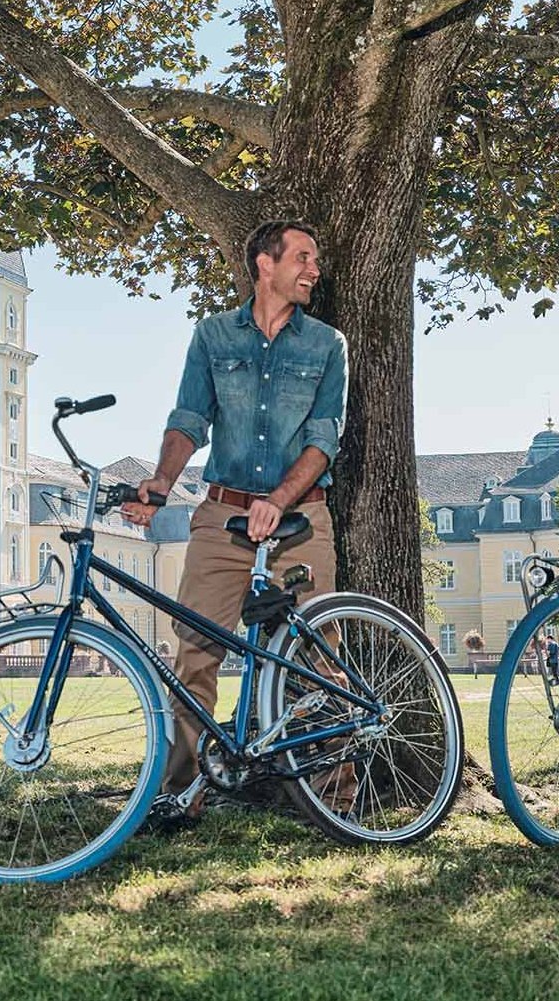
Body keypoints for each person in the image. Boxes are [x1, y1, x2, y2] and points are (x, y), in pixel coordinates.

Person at [122, 218, 347, 825]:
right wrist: (162, 483)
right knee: (194, 651)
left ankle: (332, 797)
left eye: (315, 258)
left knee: (314, 656)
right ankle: (180, 794)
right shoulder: (214, 337)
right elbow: (189, 418)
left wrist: (278, 498)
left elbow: (325, 440)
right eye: (303, 256)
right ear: (264, 265)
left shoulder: (327, 345)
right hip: (222, 514)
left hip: (301, 516)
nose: (313, 269)